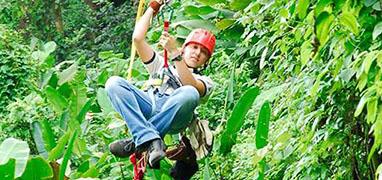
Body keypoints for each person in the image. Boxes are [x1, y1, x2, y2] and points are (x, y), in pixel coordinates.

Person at [105, 0, 216, 169]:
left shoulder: (206, 82)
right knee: (114, 83)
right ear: (185, 48)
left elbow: (191, 86)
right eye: (194, 47)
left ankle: (137, 140)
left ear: (206, 61)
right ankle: (150, 140)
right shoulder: (161, 65)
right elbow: (138, 38)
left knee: (189, 93)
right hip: (151, 104)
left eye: (203, 52)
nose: (197, 53)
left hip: (176, 117)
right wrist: (153, 7)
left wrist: (174, 54)